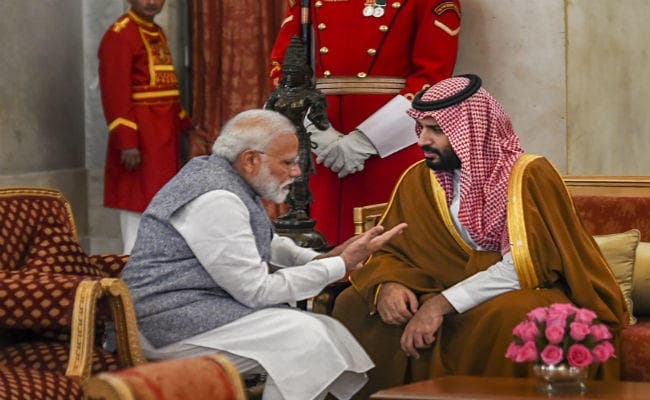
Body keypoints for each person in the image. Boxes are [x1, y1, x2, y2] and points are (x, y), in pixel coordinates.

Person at [331, 75, 629, 398]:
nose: (422, 141)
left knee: (515, 316)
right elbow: (391, 249)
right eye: (422, 128)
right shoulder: (418, 179)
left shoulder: (528, 175)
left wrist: (440, 305)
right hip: (442, 283)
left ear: (473, 130)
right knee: (353, 304)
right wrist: (388, 285)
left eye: (436, 130)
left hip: (519, 289)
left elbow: (522, 267)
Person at [117, 109, 407, 400]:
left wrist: (319, 259)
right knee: (304, 340)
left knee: (325, 332)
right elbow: (255, 290)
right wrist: (339, 265)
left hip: (197, 308)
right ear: (250, 160)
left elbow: (265, 241)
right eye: (288, 162)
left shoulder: (225, 176)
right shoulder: (216, 199)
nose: (297, 172)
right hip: (166, 324)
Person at [270, 0, 461, 244]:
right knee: (321, 241)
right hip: (322, 145)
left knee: (389, 243)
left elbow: (432, 78)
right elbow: (284, 69)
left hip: (392, 145)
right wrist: (315, 131)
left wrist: (367, 140)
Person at [98, 0, 194, 254]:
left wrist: (184, 126)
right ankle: (132, 270)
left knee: (162, 205)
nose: (151, 2)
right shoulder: (119, 35)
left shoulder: (157, 32)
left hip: (164, 137)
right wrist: (127, 142)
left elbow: (167, 90)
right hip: (140, 139)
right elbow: (115, 94)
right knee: (136, 207)